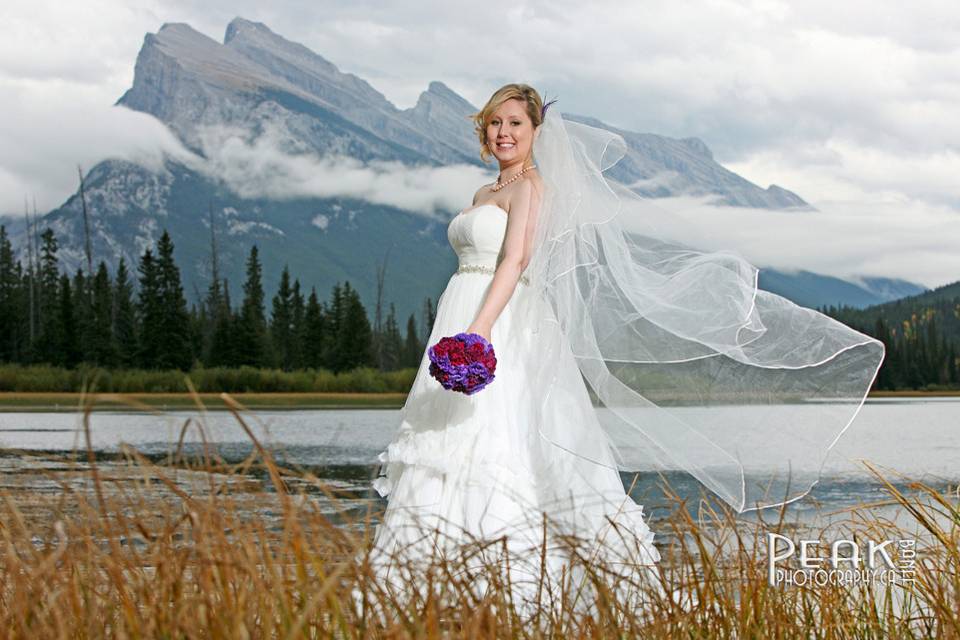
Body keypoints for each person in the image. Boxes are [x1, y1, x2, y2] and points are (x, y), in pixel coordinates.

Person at [360, 82, 885, 616]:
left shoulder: (531, 189)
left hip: (499, 319)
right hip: (461, 306)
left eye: (515, 123)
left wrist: (478, 331)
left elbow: (515, 262)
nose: (503, 133)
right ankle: (429, 577)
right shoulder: (482, 194)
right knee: (445, 439)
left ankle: (515, 586)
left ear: (536, 131)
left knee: (500, 438)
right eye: (495, 123)